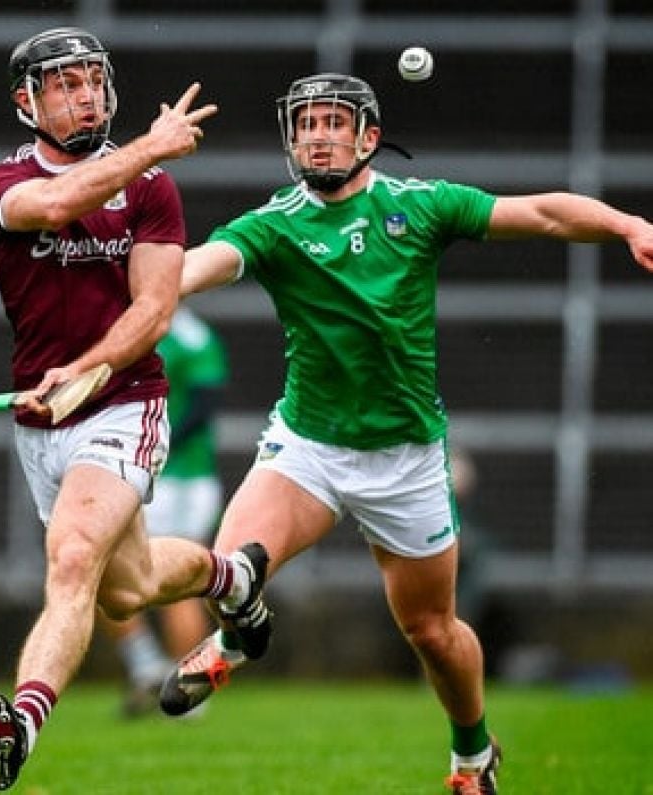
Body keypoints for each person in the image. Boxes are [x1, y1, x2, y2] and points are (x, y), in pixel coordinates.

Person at [157, 72, 653, 794]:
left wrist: (626, 225)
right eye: (306, 124)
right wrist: (144, 287)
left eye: (333, 122)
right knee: (229, 565)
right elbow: (197, 267)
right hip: (309, 448)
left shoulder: (418, 206)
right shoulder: (274, 223)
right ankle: (235, 638)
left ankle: (470, 757)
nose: (317, 135)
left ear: (367, 137)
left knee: (431, 631)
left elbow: (542, 213)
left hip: (406, 461)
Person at [0, 27, 271, 791]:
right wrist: (150, 145)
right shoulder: (2, 184)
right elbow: (60, 201)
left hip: (124, 402)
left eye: (92, 81)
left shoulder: (150, 191)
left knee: (72, 559)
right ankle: (231, 578)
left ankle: (24, 720)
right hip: (40, 418)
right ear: (25, 101)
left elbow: (155, 309)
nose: (84, 97)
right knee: (127, 584)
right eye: (64, 85)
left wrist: (91, 364)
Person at [103, 305, 228, 717]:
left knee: (164, 583)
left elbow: (204, 408)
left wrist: (154, 448)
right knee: (119, 575)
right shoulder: (189, 333)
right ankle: (158, 672)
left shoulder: (181, 335)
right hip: (171, 478)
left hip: (175, 480)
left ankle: (175, 683)